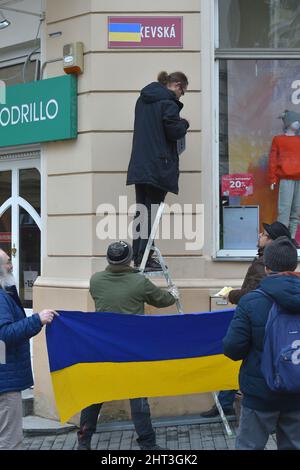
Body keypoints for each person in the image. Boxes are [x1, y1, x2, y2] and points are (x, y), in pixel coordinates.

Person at [77, 241, 178, 451]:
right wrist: (173, 294)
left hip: (102, 348)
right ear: (129, 259)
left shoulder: (95, 280)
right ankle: (148, 444)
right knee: (138, 397)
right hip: (132, 349)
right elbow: (162, 300)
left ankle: (84, 441)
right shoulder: (138, 282)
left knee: (95, 395)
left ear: (108, 259)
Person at [201, 221, 292, 418]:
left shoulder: (264, 266)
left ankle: (226, 402)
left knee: (250, 357)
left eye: (265, 234)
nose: (260, 234)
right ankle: (225, 401)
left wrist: (232, 295)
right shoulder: (262, 262)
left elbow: (253, 293)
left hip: (262, 394)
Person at [223, 236, 300, 450]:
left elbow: (232, 349)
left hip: (260, 393)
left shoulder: (251, 301)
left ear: (266, 267)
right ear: (294, 265)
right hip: (297, 390)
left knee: (249, 446)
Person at [127, 71, 190, 271]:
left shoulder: (142, 100)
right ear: (177, 85)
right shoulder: (168, 103)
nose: (181, 96)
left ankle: (138, 257)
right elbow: (174, 131)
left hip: (140, 165)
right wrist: (184, 124)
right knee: (151, 213)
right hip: (158, 166)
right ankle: (145, 259)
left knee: (141, 212)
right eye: (183, 92)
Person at [0, 249, 57, 450]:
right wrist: (37, 319)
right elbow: (4, 334)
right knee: (9, 440)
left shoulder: (5, 292)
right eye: (7, 262)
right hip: (4, 384)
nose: (12, 265)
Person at [269, 109, 300, 239]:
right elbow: (273, 160)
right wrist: (272, 179)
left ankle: (291, 238)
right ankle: (282, 240)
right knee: (284, 211)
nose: (298, 123)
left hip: (299, 179)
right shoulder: (278, 140)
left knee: (296, 211)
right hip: (286, 179)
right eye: (295, 120)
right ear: (288, 123)